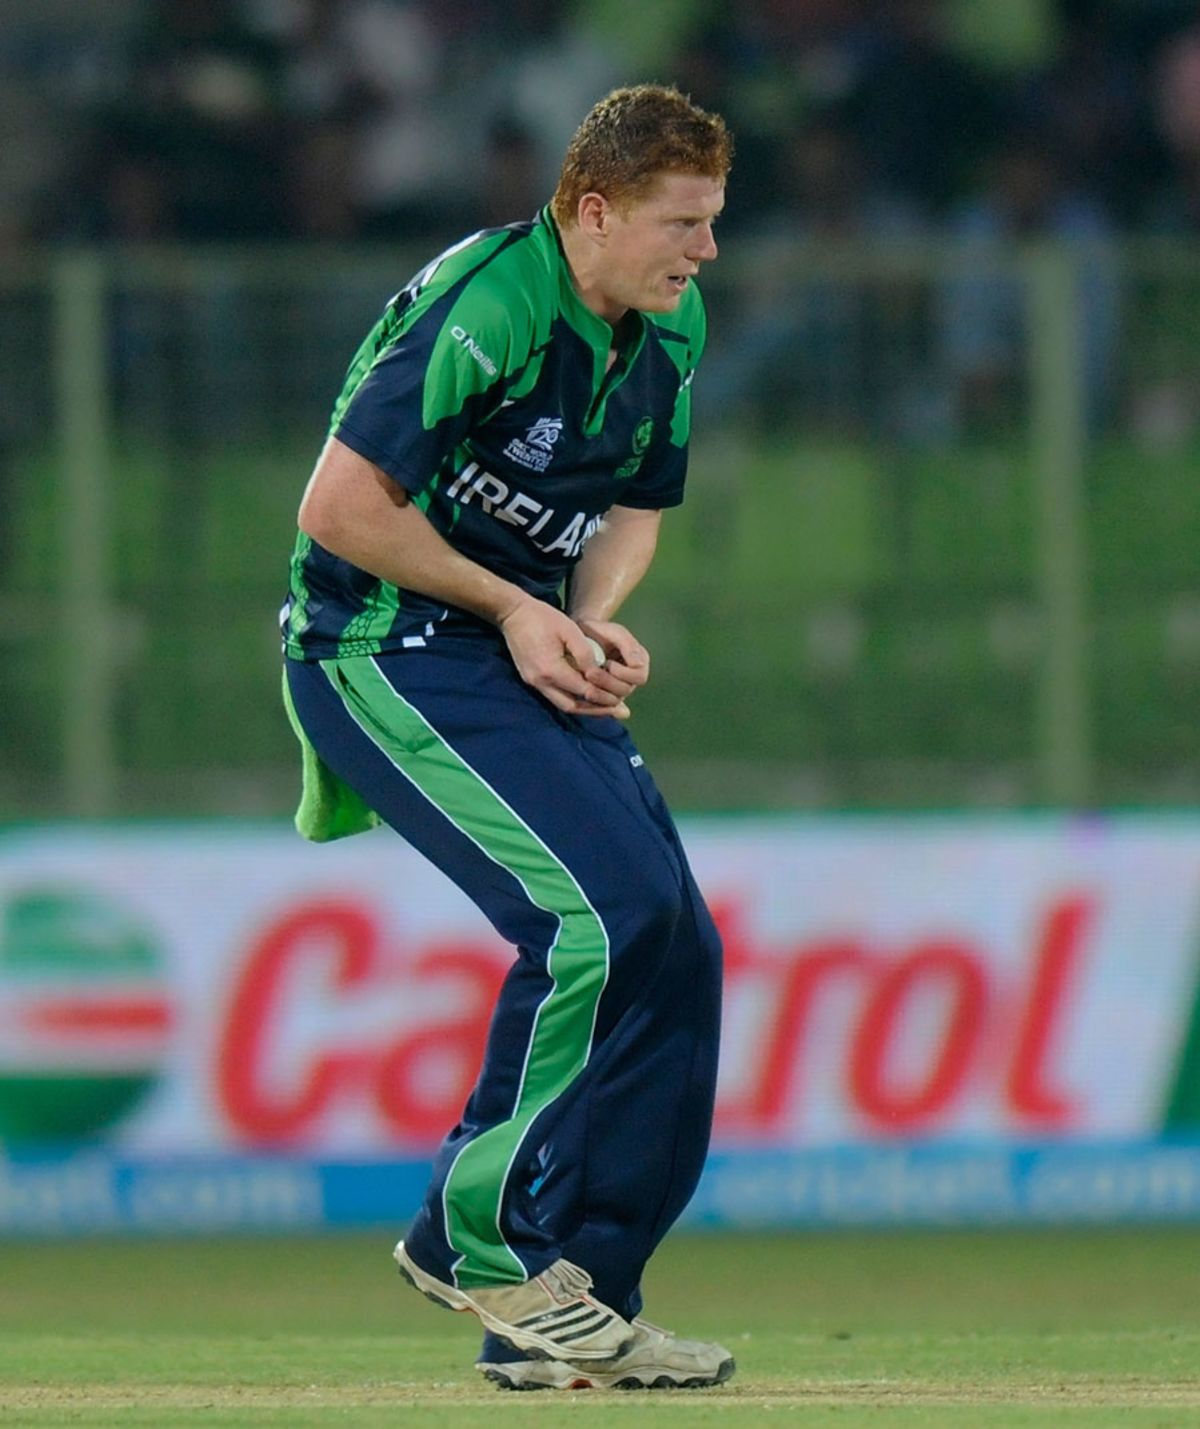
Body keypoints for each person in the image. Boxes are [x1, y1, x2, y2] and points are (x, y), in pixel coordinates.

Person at [280, 84, 735, 1392]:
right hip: (379, 646)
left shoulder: (667, 320)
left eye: (713, 222)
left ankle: (572, 1303)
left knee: (674, 943)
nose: (706, 251)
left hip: (507, 645)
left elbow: (640, 506)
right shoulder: (491, 305)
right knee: (594, 919)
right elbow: (338, 507)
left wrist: (588, 618)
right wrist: (516, 609)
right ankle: (473, 1234)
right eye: (684, 222)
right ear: (594, 211)